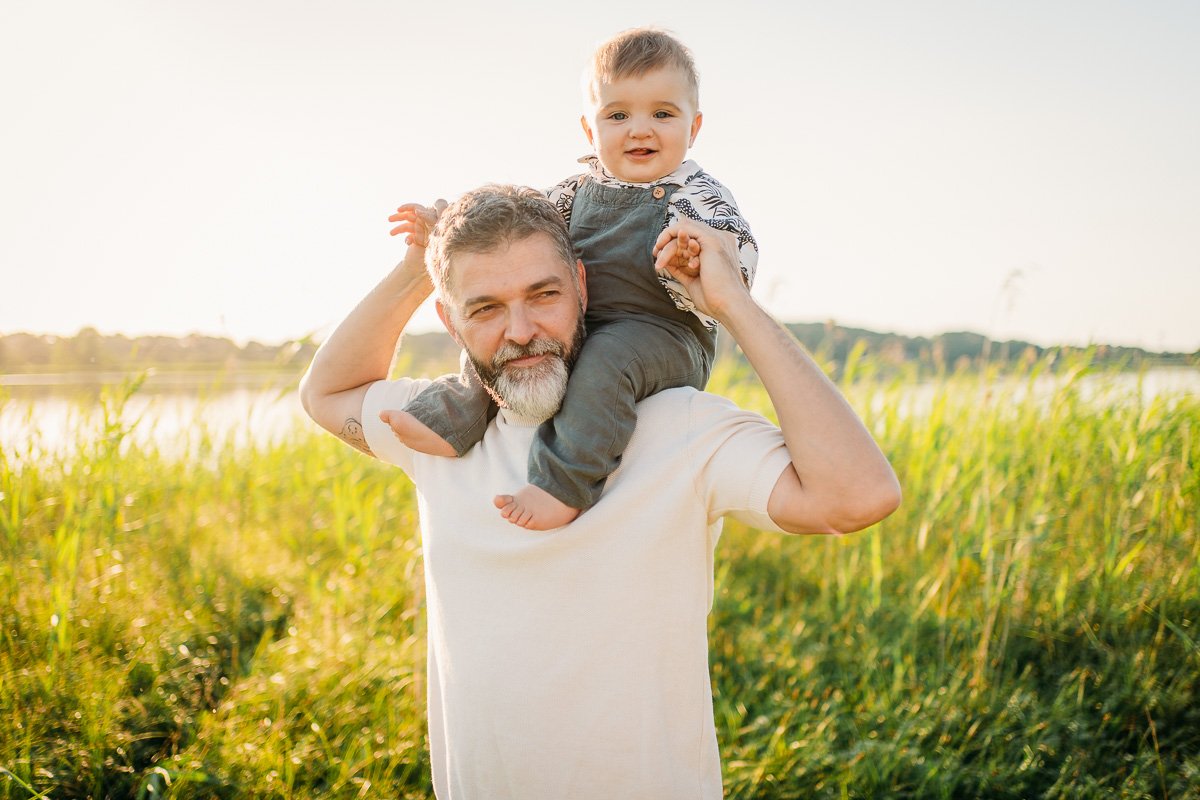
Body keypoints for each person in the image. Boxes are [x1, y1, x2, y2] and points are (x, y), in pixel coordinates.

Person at [299, 184, 901, 799]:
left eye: (544, 295)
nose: (522, 331)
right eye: (484, 309)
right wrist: (415, 269)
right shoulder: (435, 430)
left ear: (582, 288)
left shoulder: (678, 425)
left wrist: (736, 306)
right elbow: (324, 395)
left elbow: (857, 496)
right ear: (449, 321)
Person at [385, 28, 759, 530]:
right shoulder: (571, 193)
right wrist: (450, 224)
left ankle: (565, 483)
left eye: (663, 114)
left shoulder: (697, 197)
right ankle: (452, 417)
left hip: (661, 334)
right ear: (590, 130)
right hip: (583, 322)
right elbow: (510, 227)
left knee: (604, 362)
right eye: (618, 115)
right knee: (505, 336)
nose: (640, 130)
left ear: (694, 128)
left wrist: (696, 258)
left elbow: (737, 257)